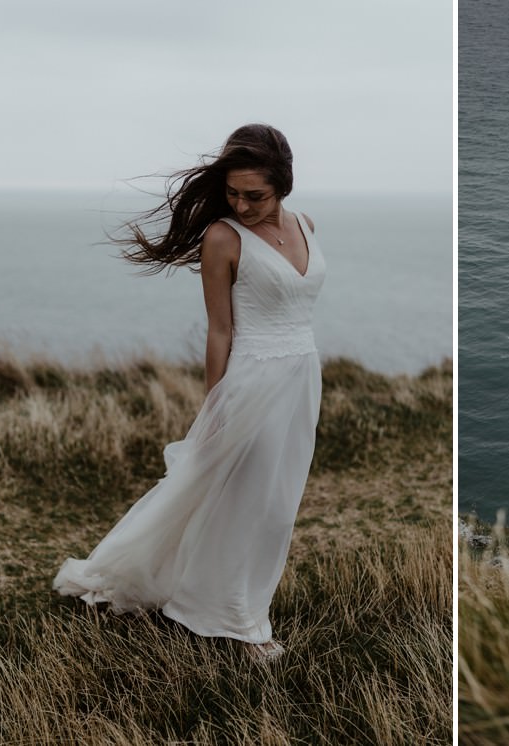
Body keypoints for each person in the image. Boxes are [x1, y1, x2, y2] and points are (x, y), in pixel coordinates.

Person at [53, 123, 325, 662]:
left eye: (255, 195)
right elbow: (219, 331)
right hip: (250, 384)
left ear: (284, 185)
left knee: (278, 508)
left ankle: (207, 594)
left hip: (301, 381)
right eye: (233, 193)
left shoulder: (306, 225)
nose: (242, 205)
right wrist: (215, 405)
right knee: (248, 507)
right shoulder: (223, 238)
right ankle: (240, 624)